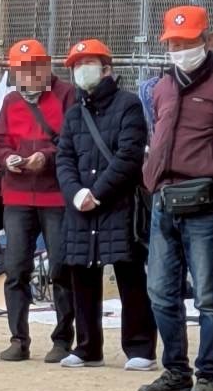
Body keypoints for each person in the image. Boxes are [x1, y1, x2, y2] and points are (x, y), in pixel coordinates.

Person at [55, 38, 156, 371]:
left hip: (118, 203)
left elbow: (129, 155)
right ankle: (87, 347)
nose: (82, 70)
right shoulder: (74, 113)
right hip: (80, 206)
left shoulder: (128, 105)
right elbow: (64, 158)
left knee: (129, 273)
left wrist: (97, 192)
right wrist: (76, 193)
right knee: (82, 273)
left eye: (89, 63)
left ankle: (140, 347)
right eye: (77, 65)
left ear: (107, 67)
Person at [138, 4, 213, 391]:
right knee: (161, 293)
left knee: (208, 296)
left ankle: (209, 374)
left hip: (205, 202)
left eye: (187, 42)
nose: (180, 50)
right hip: (163, 201)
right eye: (174, 43)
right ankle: (176, 371)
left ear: (206, 40)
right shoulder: (161, 86)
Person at [0, 38, 76, 362]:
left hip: (55, 195)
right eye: (22, 69)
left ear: (46, 65)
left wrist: (47, 156)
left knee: (60, 268)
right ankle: (18, 339)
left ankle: (62, 339)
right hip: (16, 194)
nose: (30, 74)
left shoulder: (66, 94)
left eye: (35, 66)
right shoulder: (11, 100)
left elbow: (71, 138)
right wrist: (8, 158)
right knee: (15, 269)